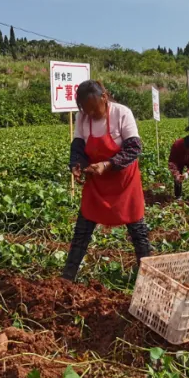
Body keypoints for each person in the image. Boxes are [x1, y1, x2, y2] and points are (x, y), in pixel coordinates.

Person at [63, 80, 151, 282]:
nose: (91, 115)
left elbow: (134, 148)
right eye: (86, 110)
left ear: (104, 98)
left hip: (124, 183)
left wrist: (108, 164)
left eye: (94, 109)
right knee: (82, 231)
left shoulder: (122, 113)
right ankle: (67, 279)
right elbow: (78, 148)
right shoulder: (82, 117)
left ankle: (148, 277)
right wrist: (77, 165)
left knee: (138, 231)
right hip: (97, 183)